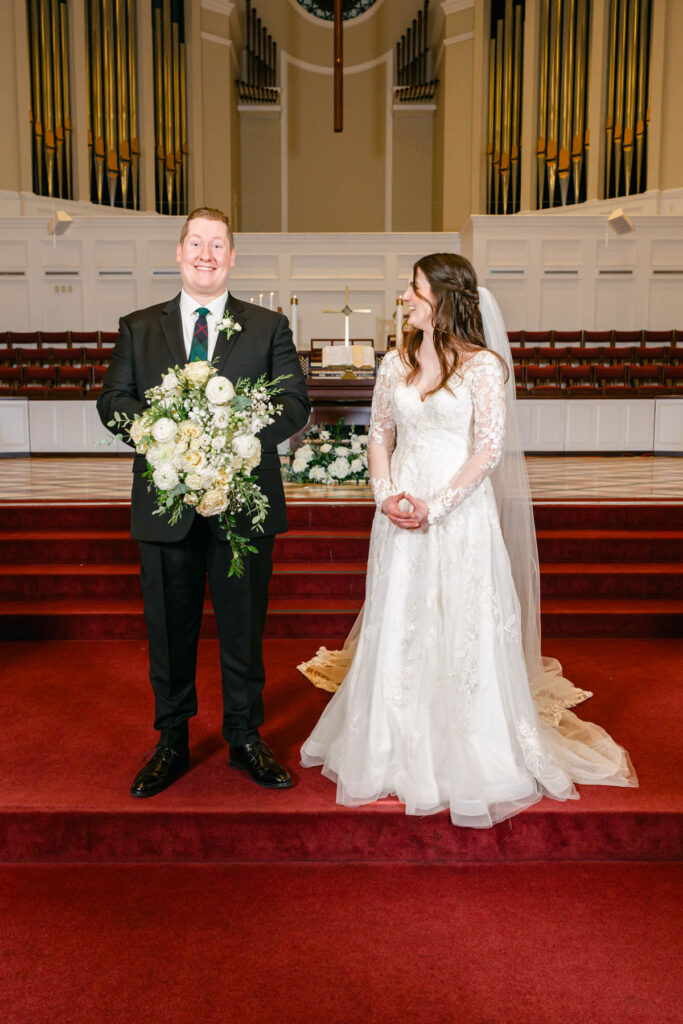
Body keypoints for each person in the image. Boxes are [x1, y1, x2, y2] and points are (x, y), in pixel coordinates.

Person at [299, 253, 636, 828]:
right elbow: (378, 436)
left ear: (444, 299)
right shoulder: (392, 364)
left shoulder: (483, 367)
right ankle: (389, 748)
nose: (404, 297)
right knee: (401, 621)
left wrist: (439, 505)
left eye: (414, 289)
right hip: (400, 510)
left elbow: (488, 449)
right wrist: (386, 495)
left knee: (461, 623)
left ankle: (472, 751)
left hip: (457, 514)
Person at [98, 207, 310, 797]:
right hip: (166, 501)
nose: (206, 254)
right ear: (179, 251)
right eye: (197, 243)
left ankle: (244, 736)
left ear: (232, 256)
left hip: (243, 500)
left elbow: (294, 404)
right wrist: (164, 433)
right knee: (169, 627)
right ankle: (171, 740)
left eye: (218, 244)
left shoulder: (268, 326)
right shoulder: (140, 327)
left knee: (243, 624)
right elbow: (113, 400)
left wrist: (233, 438)